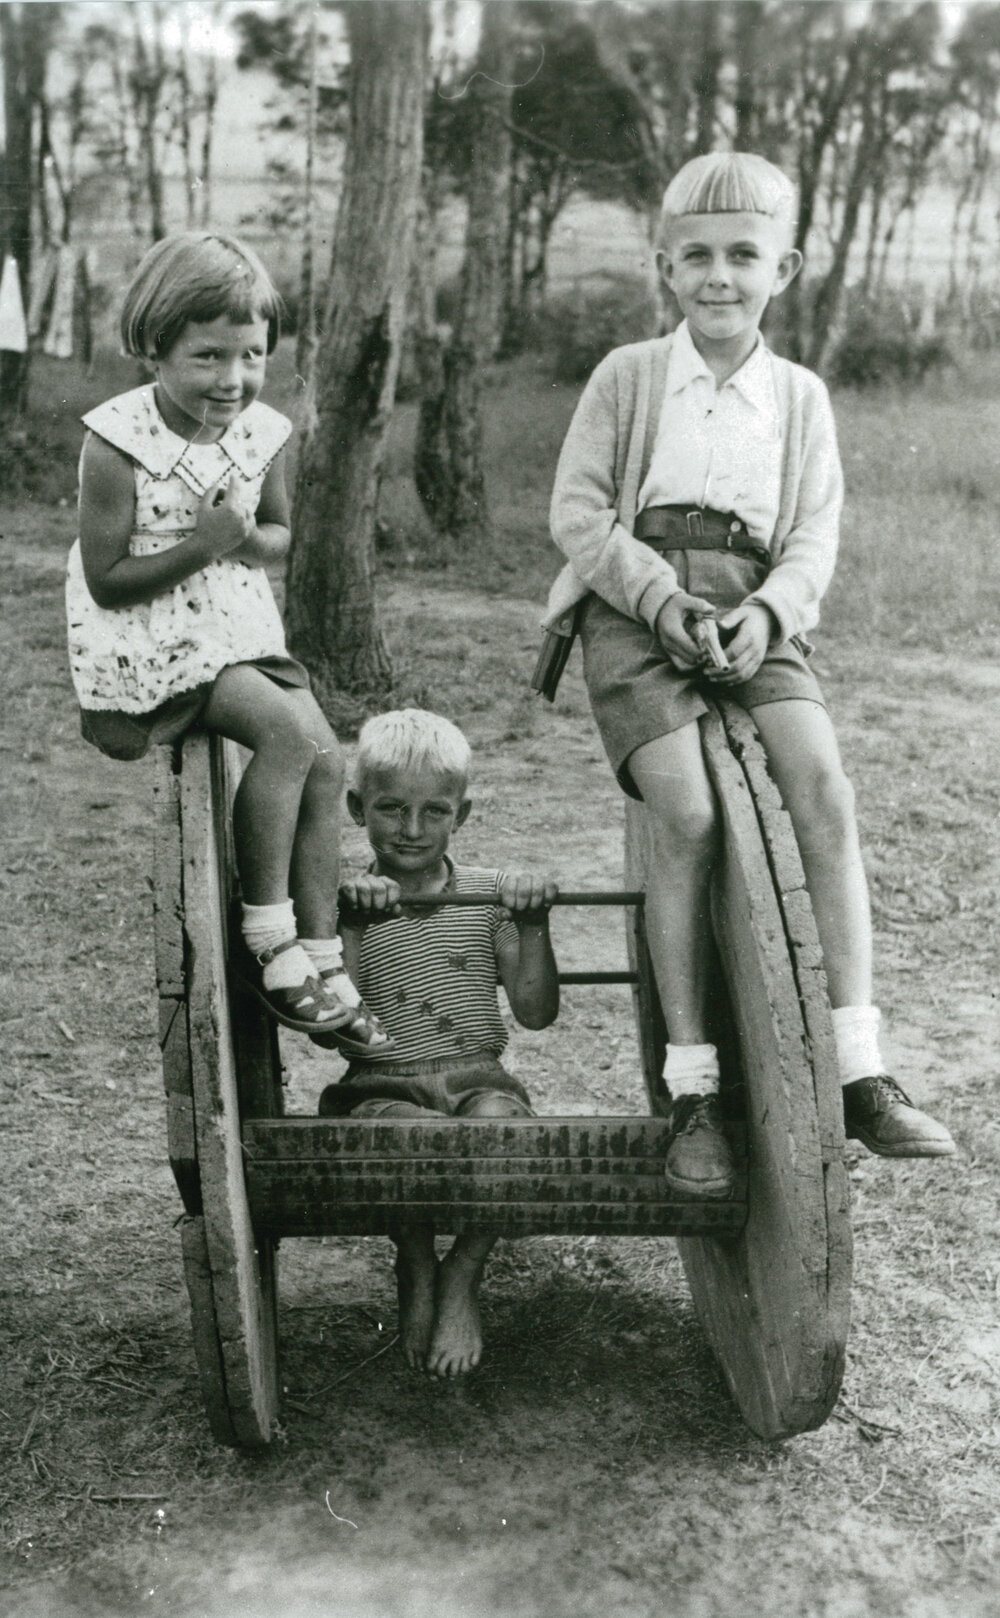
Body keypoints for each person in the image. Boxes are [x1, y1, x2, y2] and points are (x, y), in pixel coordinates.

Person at [544, 152, 955, 1197]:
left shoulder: (800, 397)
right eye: (697, 258)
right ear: (664, 268)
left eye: (743, 256)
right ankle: (692, 1087)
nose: (719, 276)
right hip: (638, 615)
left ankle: (859, 1064)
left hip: (758, 614)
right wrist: (660, 601)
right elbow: (580, 515)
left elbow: (813, 537)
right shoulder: (629, 377)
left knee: (823, 789)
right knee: (684, 816)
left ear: (789, 266)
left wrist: (765, 614)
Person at [65, 230, 389, 1056]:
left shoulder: (259, 430)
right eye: (207, 357)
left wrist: (243, 540)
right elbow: (105, 579)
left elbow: (280, 535)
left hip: (236, 625)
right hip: (153, 641)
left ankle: (320, 950)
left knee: (326, 757)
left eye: (250, 355)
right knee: (285, 735)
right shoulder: (116, 442)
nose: (232, 380)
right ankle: (268, 938)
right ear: (154, 346)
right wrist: (203, 545)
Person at [316, 709, 559, 1377]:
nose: (412, 830)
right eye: (391, 809)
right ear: (357, 806)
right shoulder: (341, 900)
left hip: (478, 1078)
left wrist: (532, 922)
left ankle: (463, 1272)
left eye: (435, 812)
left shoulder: (486, 897)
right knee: (407, 1135)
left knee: (506, 1131)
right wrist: (354, 927)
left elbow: (535, 1012)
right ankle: (417, 1260)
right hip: (379, 1084)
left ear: (464, 813)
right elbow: (339, 1024)